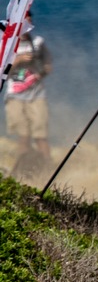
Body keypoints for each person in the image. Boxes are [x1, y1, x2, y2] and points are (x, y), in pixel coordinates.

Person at [4, 30, 52, 179]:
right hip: (15, 95)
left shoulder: (38, 42)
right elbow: (2, 70)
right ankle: (19, 171)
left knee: (40, 135)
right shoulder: (8, 45)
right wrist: (17, 60)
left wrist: (40, 74)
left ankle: (48, 169)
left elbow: (48, 65)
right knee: (23, 136)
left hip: (36, 95)